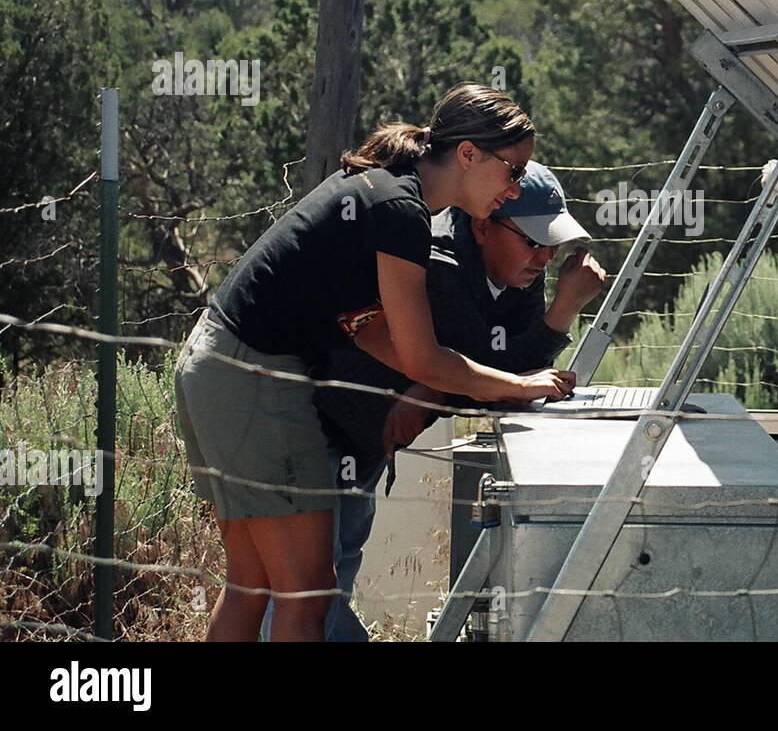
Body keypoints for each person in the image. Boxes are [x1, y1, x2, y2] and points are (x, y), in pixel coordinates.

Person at [173, 82, 574, 642]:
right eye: (512, 171)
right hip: (255, 380)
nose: (513, 191)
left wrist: (473, 381)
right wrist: (513, 385)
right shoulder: (401, 211)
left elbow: (374, 333)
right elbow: (422, 357)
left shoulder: (385, 191)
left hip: (212, 365)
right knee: (307, 595)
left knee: (253, 584)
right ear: (467, 154)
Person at [265, 161, 606, 640]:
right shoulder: (441, 264)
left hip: (362, 437)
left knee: (333, 568)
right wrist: (563, 311)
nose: (547, 258)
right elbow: (492, 378)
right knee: (306, 588)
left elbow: (503, 369)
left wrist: (457, 383)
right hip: (318, 425)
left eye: (553, 245)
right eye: (534, 242)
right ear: (485, 225)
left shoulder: (517, 269)